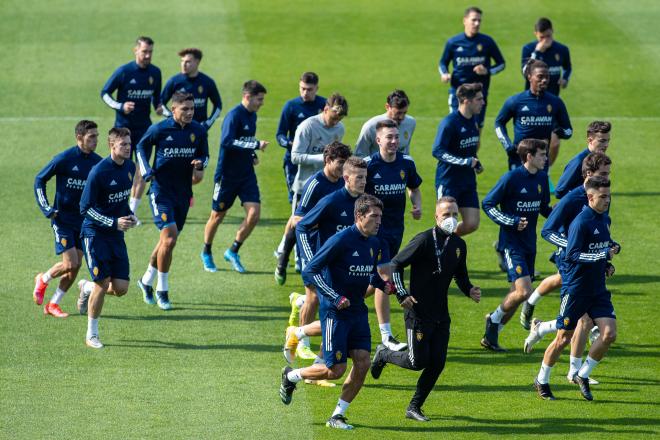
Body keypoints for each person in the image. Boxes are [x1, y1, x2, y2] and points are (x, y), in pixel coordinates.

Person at [280, 194, 390, 431]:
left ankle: (338, 415)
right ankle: (290, 376)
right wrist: (333, 296)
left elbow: (369, 274)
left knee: (363, 363)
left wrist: (387, 287)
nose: (379, 221)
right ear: (359, 216)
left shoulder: (374, 242)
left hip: (358, 312)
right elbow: (310, 271)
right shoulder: (340, 240)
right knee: (333, 371)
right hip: (335, 313)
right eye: (374, 216)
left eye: (380, 216)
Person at [370, 197, 481, 422]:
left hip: (441, 314)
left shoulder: (459, 245)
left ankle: (414, 407)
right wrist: (402, 294)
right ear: (436, 217)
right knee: (416, 362)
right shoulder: (423, 240)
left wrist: (469, 289)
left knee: (438, 363)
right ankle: (384, 354)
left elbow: (460, 275)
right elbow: (396, 264)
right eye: (446, 215)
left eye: (454, 214)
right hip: (418, 312)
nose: (451, 219)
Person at [531, 176, 618, 401]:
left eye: (609, 196)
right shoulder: (580, 222)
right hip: (576, 289)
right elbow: (573, 254)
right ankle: (541, 379)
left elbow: (599, 246)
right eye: (603, 197)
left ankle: (583, 374)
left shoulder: (604, 219)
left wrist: (607, 262)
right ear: (590, 197)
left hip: (597, 289)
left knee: (609, 333)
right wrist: (601, 255)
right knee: (563, 338)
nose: (607, 200)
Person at [521, 153, 612, 329]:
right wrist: (571, 245)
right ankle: (543, 326)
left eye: (608, 174)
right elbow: (547, 230)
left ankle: (535, 309)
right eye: (603, 174)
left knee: (566, 284)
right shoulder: (571, 199)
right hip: (571, 256)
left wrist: (609, 247)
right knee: (579, 306)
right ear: (588, 174)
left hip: (589, 254)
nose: (607, 178)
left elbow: (600, 225)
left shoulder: (603, 194)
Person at [135, 92, 209, 310]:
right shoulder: (160, 129)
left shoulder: (198, 130)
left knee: (166, 241)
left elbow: (205, 155)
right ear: (173, 109)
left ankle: (146, 280)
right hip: (161, 192)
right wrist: (146, 169)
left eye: (192, 109)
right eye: (184, 109)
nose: (189, 113)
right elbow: (140, 147)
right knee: (169, 239)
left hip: (183, 193)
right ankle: (162, 290)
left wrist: (200, 163)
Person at [291, 157, 369, 361]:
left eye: (365, 177)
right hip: (328, 270)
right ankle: (302, 340)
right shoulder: (332, 201)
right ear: (346, 178)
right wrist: (310, 258)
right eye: (359, 177)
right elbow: (301, 225)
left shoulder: (364, 203)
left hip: (351, 268)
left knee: (345, 313)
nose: (363, 182)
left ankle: (319, 361)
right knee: (332, 315)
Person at [481, 139, 552, 352]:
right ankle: (493, 320)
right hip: (512, 244)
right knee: (524, 292)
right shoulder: (511, 178)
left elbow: (544, 208)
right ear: (529, 156)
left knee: (515, 293)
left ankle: (491, 337)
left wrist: (564, 215)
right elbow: (488, 204)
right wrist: (510, 220)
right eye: (541, 155)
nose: (545, 158)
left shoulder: (542, 178)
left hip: (530, 244)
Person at [33, 120, 103, 317]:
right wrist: (47, 207)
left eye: (97, 136)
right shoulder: (64, 158)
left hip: (84, 222)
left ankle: (53, 304)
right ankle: (43, 279)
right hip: (62, 220)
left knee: (75, 267)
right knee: (70, 263)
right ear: (79, 138)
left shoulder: (98, 163)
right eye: (91, 137)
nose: (95, 141)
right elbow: (40, 179)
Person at [273, 93, 348, 274]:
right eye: (333, 117)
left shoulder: (339, 129)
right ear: (325, 109)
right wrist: (323, 159)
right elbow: (295, 156)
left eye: (339, 118)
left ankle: (311, 259)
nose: (335, 121)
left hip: (329, 185)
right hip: (305, 185)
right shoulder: (307, 126)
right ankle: (285, 257)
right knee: (298, 222)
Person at [76, 128, 138, 348]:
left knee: (120, 288)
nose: (128, 147)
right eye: (123, 145)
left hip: (115, 235)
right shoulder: (98, 172)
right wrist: (113, 222)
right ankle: (91, 334)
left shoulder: (130, 167)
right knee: (103, 282)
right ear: (112, 146)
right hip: (95, 234)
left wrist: (130, 215)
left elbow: (120, 200)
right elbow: (85, 208)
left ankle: (86, 287)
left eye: (129, 144)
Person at [365, 119, 423, 351]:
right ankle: (386, 335)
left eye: (396, 137)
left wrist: (416, 206)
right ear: (378, 140)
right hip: (373, 232)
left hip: (396, 230)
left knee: (374, 281)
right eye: (389, 137)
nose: (394, 141)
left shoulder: (406, 163)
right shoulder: (369, 165)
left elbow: (414, 188)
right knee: (385, 279)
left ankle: (341, 304)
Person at [200, 80, 268, 273]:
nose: (261, 103)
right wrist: (254, 145)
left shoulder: (252, 116)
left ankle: (233, 250)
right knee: (217, 216)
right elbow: (227, 142)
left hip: (246, 175)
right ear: (247, 97)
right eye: (259, 99)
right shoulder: (234, 116)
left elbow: (244, 141)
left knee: (254, 214)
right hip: (227, 177)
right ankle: (206, 251)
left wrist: (252, 154)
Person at [101, 36, 163, 222]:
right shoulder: (124, 72)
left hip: (145, 130)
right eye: (144, 51)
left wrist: (159, 106)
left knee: (141, 169)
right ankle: (110, 205)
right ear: (135, 50)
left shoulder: (155, 73)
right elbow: (104, 93)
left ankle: (131, 212)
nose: (147, 55)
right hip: (123, 130)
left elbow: (156, 97)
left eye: (150, 52)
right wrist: (120, 106)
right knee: (120, 170)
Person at [275, 142, 351, 285]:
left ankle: (299, 302)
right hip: (314, 241)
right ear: (328, 160)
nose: (344, 167)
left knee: (335, 285)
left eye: (346, 163)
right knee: (315, 290)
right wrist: (323, 222)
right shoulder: (315, 184)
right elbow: (298, 219)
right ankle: (283, 260)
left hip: (335, 240)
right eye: (341, 162)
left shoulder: (344, 181)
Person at [495, 59, 572, 170]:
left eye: (547, 77)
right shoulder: (515, 101)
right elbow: (499, 123)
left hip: (541, 161)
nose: (544, 80)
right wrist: (508, 146)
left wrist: (560, 132)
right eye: (540, 77)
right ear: (529, 77)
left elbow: (569, 131)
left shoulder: (556, 102)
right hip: (519, 159)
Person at [438, 6, 505, 129]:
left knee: (475, 134)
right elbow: (443, 63)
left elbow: (501, 63)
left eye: (479, 20)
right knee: (456, 129)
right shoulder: (453, 42)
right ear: (465, 20)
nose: (477, 23)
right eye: (474, 20)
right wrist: (444, 73)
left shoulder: (487, 42)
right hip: (458, 94)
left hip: (478, 96)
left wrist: (487, 71)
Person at [432, 82, 484, 236]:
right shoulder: (450, 123)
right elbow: (437, 150)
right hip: (449, 181)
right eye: (479, 99)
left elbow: (469, 148)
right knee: (446, 224)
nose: (483, 102)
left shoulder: (472, 121)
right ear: (466, 101)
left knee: (472, 223)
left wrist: (476, 162)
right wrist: (465, 162)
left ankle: (445, 240)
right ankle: (438, 249)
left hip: (467, 181)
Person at [276, 72, 326, 204]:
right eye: (302, 88)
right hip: (294, 161)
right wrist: (289, 143)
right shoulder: (291, 106)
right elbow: (280, 134)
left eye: (309, 89)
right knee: (296, 200)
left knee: (318, 198)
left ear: (317, 88)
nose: (305, 92)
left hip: (318, 160)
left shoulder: (324, 105)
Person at [161, 48, 223, 130]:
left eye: (188, 62)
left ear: (197, 62)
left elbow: (218, 105)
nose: (183, 64)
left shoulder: (207, 82)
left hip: (199, 130)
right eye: (182, 61)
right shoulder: (174, 81)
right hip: (178, 130)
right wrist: (172, 117)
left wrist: (208, 123)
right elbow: (160, 103)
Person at [555, 121, 611, 198]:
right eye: (602, 141)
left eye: (608, 141)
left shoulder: (601, 160)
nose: (606, 145)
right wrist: (581, 197)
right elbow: (560, 191)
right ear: (590, 140)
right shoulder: (579, 161)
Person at [354, 90, 416, 157]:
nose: (401, 117)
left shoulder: (411, 123)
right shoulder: (371, 126)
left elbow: (405, 150)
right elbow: (359, 154)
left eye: (404, 113)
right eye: (398, 113)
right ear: (387, 107)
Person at [521, 18, 572, 97]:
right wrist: (536, 52)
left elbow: (568, 67)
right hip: (532, 99)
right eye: (542, 37)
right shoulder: (528, 49)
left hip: (553, 98)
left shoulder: (562, 49)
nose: (546, 40)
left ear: (552, 31)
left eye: (548, 36)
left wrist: (565, 79)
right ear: (535, 34)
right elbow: (525, 73)